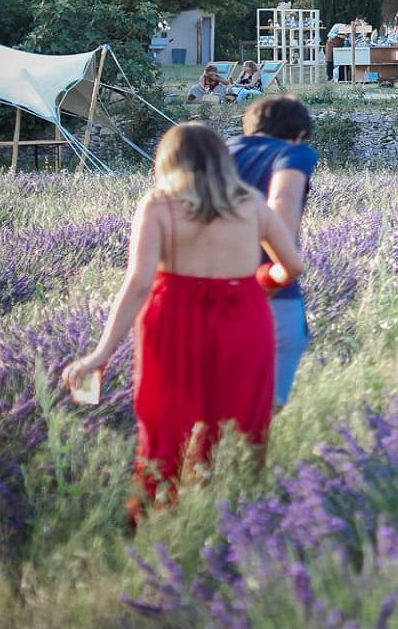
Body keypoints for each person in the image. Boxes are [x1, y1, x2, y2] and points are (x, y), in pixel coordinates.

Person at [62, 123, 304, 520]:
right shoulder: (253, 204)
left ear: (168, 161)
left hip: (174, 317)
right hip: (243, 318)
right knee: (241, 421)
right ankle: (240, 515)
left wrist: (101, 353)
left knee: (165, 421)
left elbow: (139, 283)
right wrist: (260, 283)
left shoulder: (159, 205)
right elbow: (293, 266)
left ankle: (154, 517)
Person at [226, 96, 318, 407]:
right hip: (272, 296)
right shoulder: (293, 155)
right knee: (261, 415)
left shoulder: (217, 154)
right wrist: (280, 268)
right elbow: (281, 206)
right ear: (299, 134)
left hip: (208, 297)